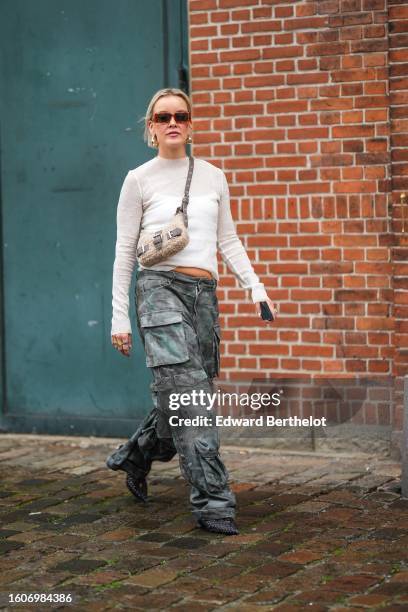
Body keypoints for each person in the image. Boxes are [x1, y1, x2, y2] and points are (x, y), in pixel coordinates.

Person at [107, 87, 278, 536]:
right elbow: (125, 252)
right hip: (158, 290)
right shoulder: (138, 179)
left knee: (182, 393)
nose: (172, 123)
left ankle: (137, 455)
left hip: (204, 295)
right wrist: (118, 316)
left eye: (180, 115)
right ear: (151, 126)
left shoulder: (213, 176)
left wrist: (255, 285)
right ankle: (214, 503)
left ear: (191, 123)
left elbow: (228, 240)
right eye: (162, 117)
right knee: (193, 401)